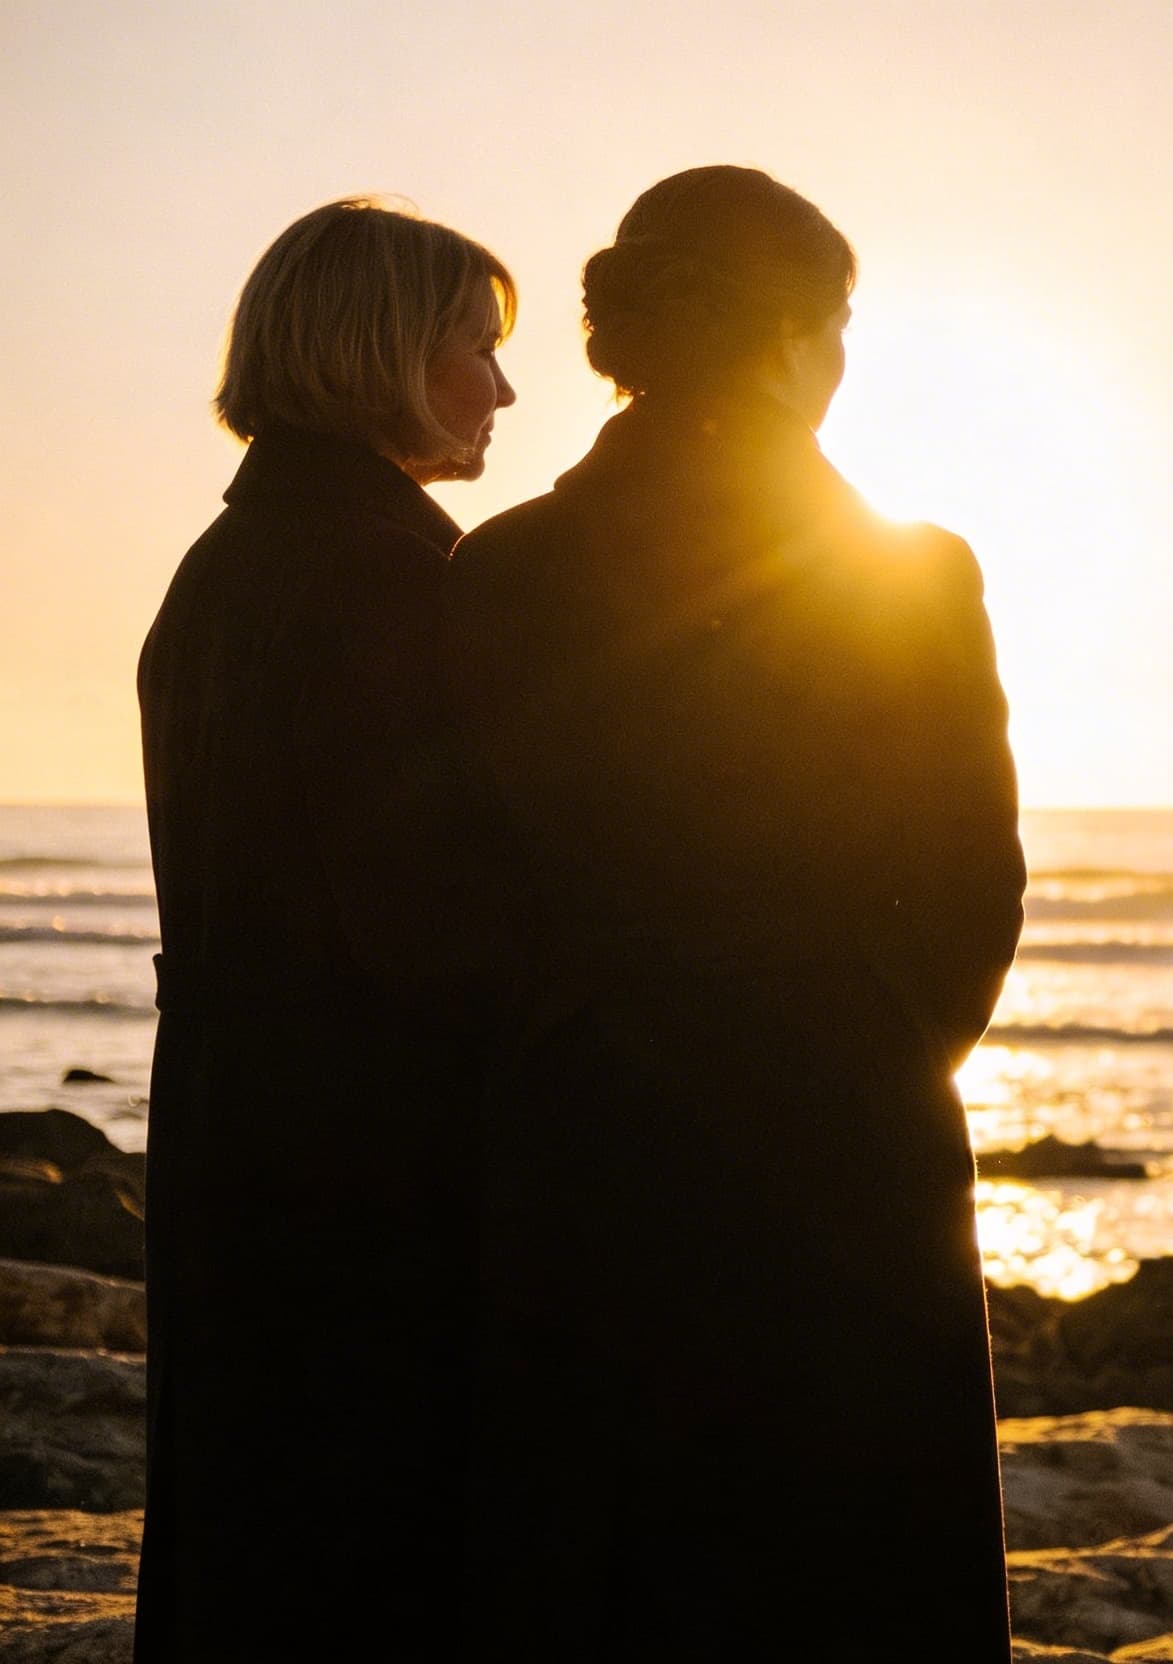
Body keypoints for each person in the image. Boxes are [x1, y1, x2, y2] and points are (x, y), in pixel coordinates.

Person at [440, 166, 1024, 1659]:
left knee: (603, 1575)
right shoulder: (904, 570)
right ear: (786, 338)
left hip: (579, 1151)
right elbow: (973, 882)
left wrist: (554, 1051)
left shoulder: (498, 571)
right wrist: (885, 1044)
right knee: (853, 1579)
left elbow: (453, 884)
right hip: (846, 1146)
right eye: (835, 326)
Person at [136, 198, 517, 1659]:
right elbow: (431, 920)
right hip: (371, 1165)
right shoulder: (386, 579)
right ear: (381, 355)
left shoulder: (226, 566)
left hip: (244, 1139)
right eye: (473, 345)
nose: (501, 385)